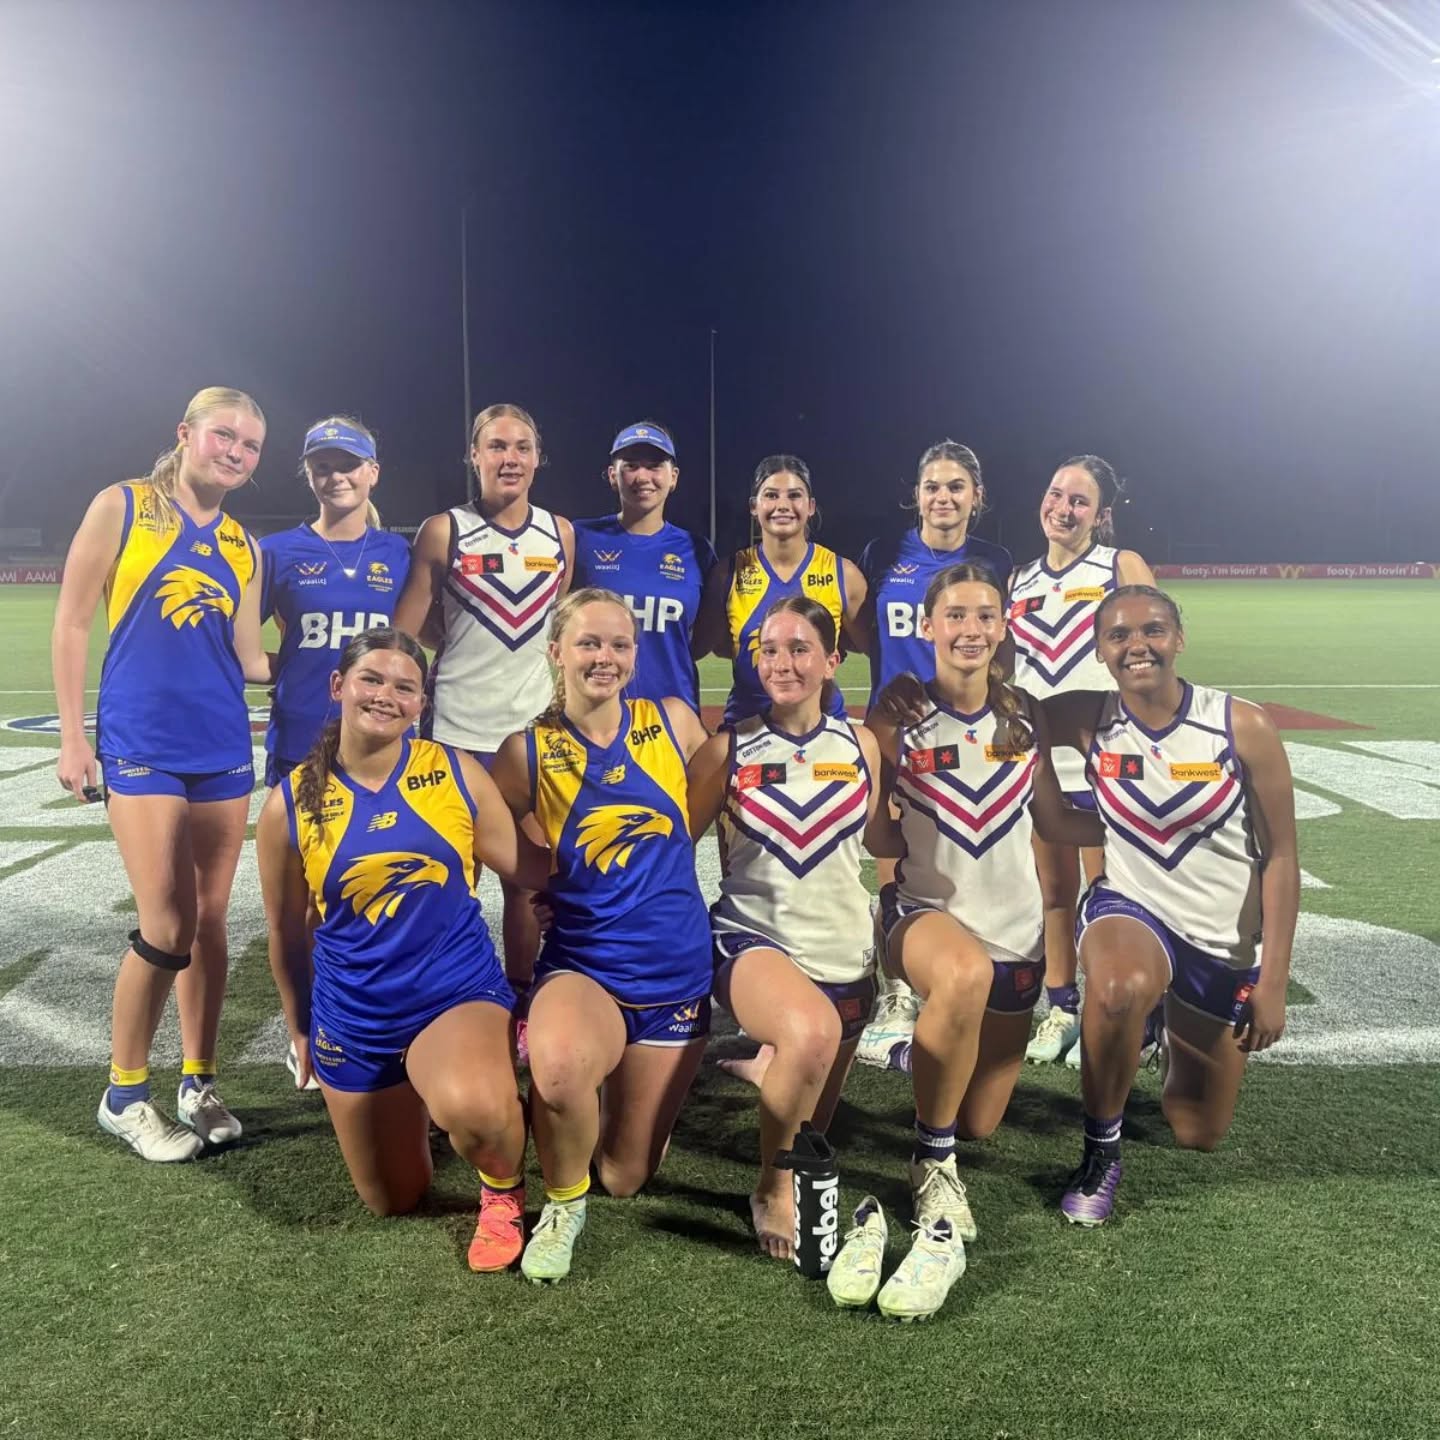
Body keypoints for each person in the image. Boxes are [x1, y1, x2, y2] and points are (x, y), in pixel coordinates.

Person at [836, 562, 1103, 1320]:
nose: (970, 629)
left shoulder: (1024, 713)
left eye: (985, 615)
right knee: (959, 980)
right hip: (926, 918)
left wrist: (1144, 824)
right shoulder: (895, 716)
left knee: (982, 1118)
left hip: (1014, 936)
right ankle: (931, 1162)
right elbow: (876, 827)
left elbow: (1052, 821)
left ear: (1003, 626)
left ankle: (928, 1077)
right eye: (954, 616)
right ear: (927, 627)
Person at [256, 629, 548, 1271]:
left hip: (452, 994)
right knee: (394, 1198)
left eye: (404, 687)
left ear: (422, 703)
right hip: (354, 1015)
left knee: (474, 1111)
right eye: (372, 680)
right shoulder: (289, 805)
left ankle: (502, 1184)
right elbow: (286, 931)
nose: (386, 695)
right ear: (339, 687)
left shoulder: (453, 772)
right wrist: (300, 1025)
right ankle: (432, 1088)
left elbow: (530, 869)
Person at [52, 386, 272, 1160]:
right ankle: (124, 1094)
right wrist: (75, 739)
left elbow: (249, 660)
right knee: (167, 924)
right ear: (186, 433)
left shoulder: (245, 544)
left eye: (249, 445)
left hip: (221, 746)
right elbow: (75, 619)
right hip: (141, 742)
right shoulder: (123, 504)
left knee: (211, 920)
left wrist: (336, 663)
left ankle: (199, 1081)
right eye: (224, 436)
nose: (236, 452)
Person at [1040, 586, 1298, 1226]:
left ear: (1179, 638)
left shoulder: (1240, 725)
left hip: (1219, 942)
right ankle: (1101, 1151)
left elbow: (1283, 857)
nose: (1137, 646)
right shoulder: (1085, 716)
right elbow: (1003, 714)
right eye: (1119, 636)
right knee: (1120, 986)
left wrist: (1273, 980)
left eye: (1152, 630)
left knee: (1197, 1130)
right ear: (1100, 651)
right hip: (1131, 910)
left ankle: (1159, 1027)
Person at [490, 588, 712, 1283]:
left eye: (619, 644)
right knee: (556, 1072)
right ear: (556, 652)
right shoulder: (526, 750)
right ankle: (561, 1203)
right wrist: (546, 882)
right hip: (584, 965)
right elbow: (500, 842)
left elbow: (715, 809)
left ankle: (632, 1106)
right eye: (588, 643)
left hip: (675, 972)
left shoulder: (673, 721)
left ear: (635, 655)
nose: (604, 658)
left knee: (624, 1175)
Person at [687, 596, 891, 1259]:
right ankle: (771, 1191)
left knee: (810, 1113)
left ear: (832, 661)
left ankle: (771, 1061)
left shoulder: (862, 743)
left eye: (801, 648)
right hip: (753, 938)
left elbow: (886, 840)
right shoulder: (729, 747)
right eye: (770, 650)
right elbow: (668, 852)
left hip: (845, 953)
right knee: (811, 1034)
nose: (784, 663)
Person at [394, 403, 574, 996]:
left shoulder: (561, 533)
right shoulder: (443, 529)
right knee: (450, 876)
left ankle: (521, 999)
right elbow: (408, 631)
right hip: (456, 732)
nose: (509, 459)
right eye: (496, 447)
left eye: (522, 447)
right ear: (474, 456)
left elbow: (555, 628)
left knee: (527, 881)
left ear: (538, 458)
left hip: (530, 738)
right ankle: (453, 997)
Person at [260, 416, 411, 1089]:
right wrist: (292, 668)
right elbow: (245, 646)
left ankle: (364, 1021)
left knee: (365, 891)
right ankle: (302, 1032)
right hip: (301, 743)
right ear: (309, 473)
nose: (336, 475)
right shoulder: (277, 551)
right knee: (297, 907)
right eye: (322, 464)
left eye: (349, 464)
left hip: (379, 751)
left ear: (374, 471)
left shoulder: (399, 554)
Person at [855, 441, 1013, 1071]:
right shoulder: (882, 555)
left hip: (968, 727)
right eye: (932, 486)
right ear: (914, 494)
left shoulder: (996, 560)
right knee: (891, 848)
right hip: (898, 725)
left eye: (956, 487)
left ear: (977, 497)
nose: (943, 498)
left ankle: (966, 962)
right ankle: (894, 986)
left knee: (964, 846)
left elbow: (1003, 640)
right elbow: (866, 633)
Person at [1010, 456, 1156, 1069]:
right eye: (1055, 495)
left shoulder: (1118, 566)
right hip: (1039, 757)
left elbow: (1151, 645)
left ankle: (1128, 1013)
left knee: (1113, 890)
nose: (1062, 509)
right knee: (1053, 890)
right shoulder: (1016, 579)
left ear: (1101, 515)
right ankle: (1062, 1006)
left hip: (1106, 750)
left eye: (1079, 501)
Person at [701, 454, 867, 728]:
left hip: (823, 732)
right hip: (747, 732)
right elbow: (713, 646)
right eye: (771, 495)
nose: (782, 505)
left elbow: (874, 648)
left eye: (794, 495)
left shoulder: (843, 574)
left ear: (811, 506)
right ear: (754, 506)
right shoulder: (726, 575)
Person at [571, 420, 722, 716]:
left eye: (654, 466)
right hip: (595, 717)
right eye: (631, 465)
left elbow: (701, 641)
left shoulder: (696, 550)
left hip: (673, 716)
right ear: (613, 475)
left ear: (673, 477)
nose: (643, 476)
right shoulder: (579, 538)